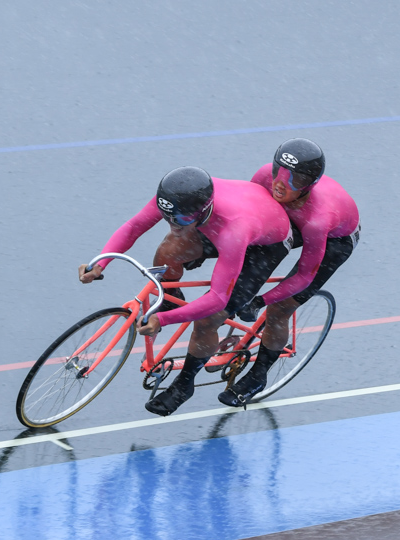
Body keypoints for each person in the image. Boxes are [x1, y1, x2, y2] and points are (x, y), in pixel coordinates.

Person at [79, 167, 293, 416]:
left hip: (264, 243)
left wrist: (163, 319)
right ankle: (173, 302)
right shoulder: (175, 199)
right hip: (226, 219)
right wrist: (99, 264)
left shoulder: (234, 230)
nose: (172, 224)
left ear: (202, 211)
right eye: (167, 216)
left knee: (208, 318)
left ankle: (184, 384)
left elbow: (216, 298)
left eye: (180, 220)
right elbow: (134, 226)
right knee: (168, 251)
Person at [217, 138, 360, 407]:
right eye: (278, 172)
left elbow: (304, 276)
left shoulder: (318, 220)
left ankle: (258, 376)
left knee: (280, 309)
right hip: (292, 218)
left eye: (295, 179)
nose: (280, 184)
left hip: (334, 240)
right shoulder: (262, 177)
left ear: (309, 185)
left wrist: (261, 300)